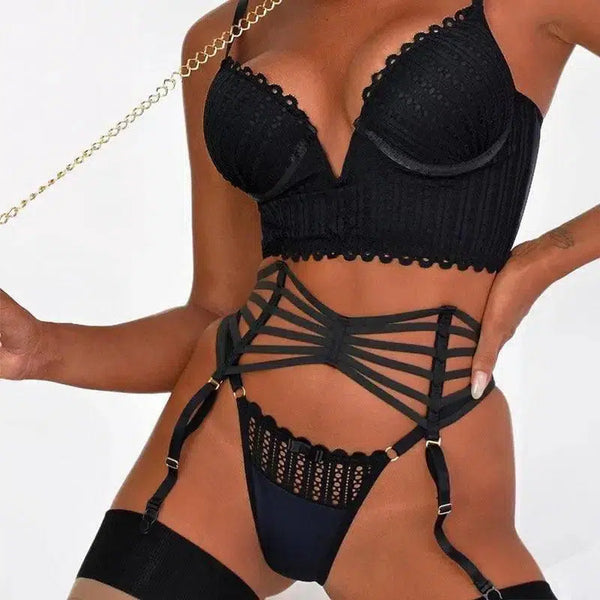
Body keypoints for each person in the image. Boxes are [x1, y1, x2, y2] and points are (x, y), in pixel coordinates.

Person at [1, 0, 599, 598]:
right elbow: (215, 310)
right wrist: (41, 350)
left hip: (424, 469)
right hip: (219, 449)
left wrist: (545, 260)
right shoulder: (224, 34)